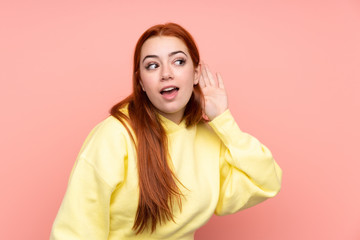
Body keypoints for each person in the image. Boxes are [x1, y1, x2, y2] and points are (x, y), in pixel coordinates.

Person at [50, 22, 282, 240]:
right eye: (152, 65)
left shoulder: (208, 138)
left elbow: (266, 182)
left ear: (196, 73)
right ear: (141, 82)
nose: (166, 73)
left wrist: (223, 120)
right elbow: (74, 231)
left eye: (178, 62)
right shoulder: (114, 136)